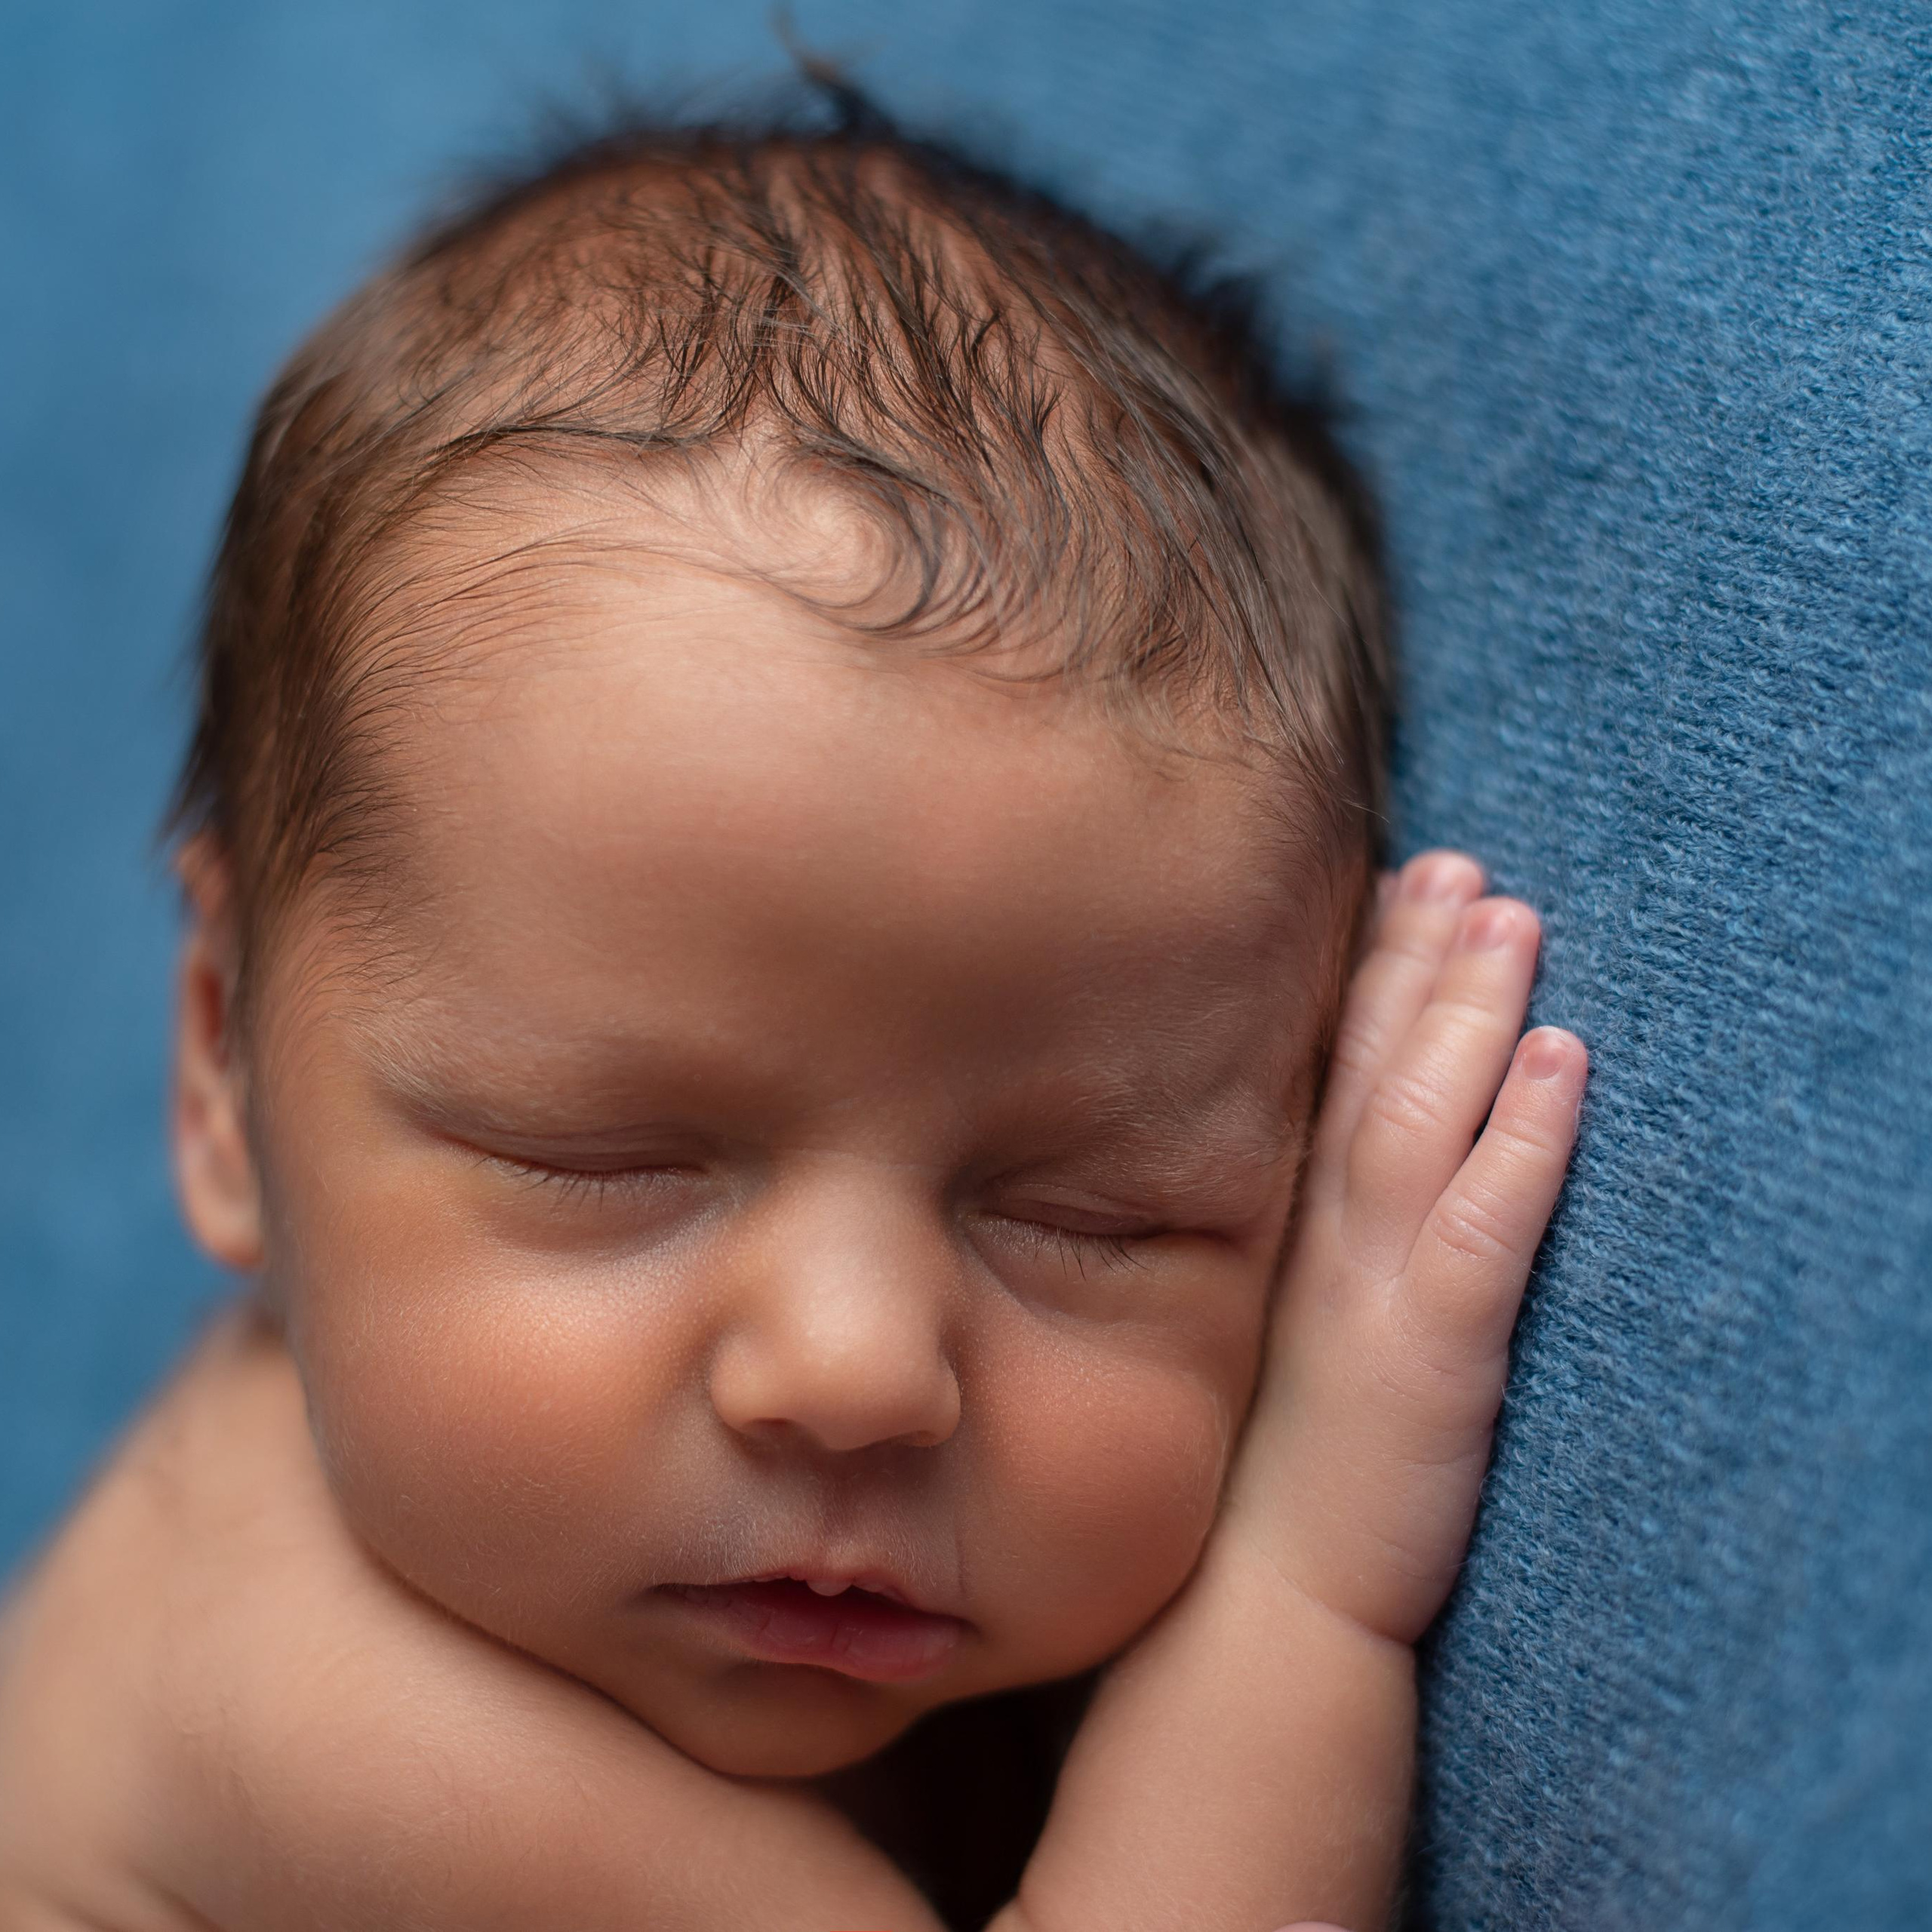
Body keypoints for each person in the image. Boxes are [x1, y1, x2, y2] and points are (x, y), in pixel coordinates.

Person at [0, 99, 1586, 1932]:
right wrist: (1305, 1574)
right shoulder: (344, 1722)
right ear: (219, 1073)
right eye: (599, 1160)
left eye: (1093, 1216)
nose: (855, 1368)